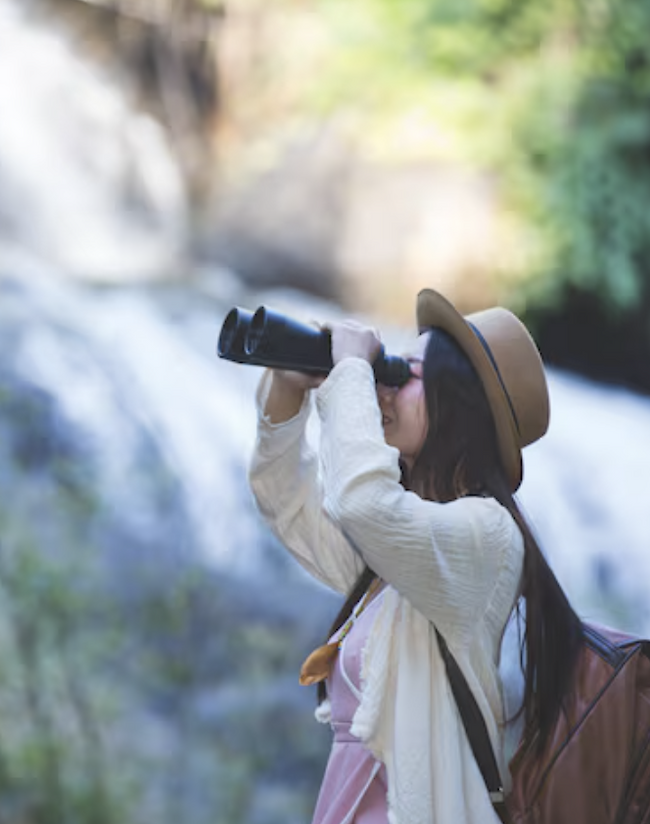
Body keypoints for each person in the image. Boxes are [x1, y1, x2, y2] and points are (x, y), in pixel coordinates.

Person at [248, 288, 583, 824]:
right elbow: (288, 505)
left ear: (460, 406)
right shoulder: (403, 558)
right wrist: (290, 388)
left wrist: (353, 371)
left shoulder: (487, 537)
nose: (385, 389)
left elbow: (362, 502)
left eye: (406, 374)